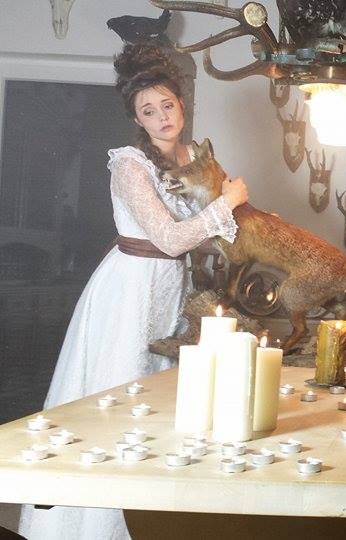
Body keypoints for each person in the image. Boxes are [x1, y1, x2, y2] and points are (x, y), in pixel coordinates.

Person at [18, 43, 248, 540]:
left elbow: (204, 238)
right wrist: (227, 203)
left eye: (168, 105)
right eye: (149, 111)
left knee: (165, 400)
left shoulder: (194, 157)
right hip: (128, 290)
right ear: (136, 119)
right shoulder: (129, 166)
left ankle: (151, 520)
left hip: (173, 287)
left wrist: (242, 230)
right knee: (119, 396)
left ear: (182, 104)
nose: (162, 117)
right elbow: (169, 239)